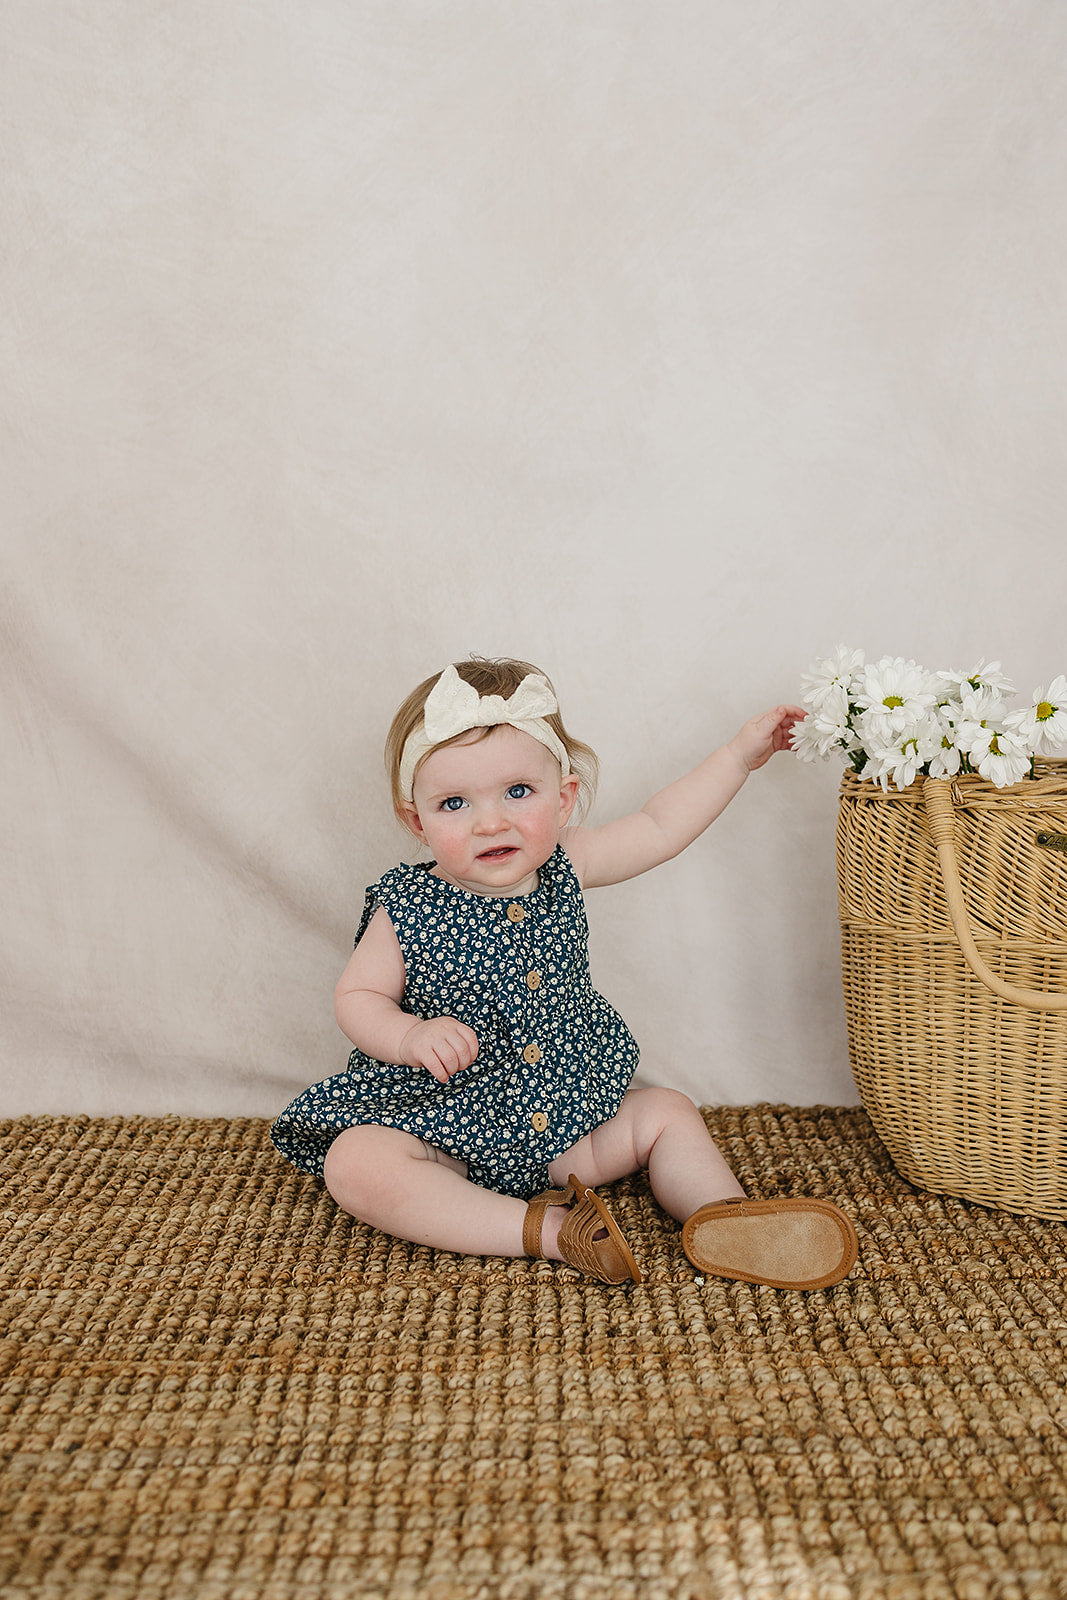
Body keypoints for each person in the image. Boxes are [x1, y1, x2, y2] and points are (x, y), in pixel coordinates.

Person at [271, 657, 858, 1289]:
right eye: (453, 803)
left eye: (517, 792)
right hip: (442, 1124)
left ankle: (723, 1216)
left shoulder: (566, 865)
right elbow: (358, 996)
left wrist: (737, 758)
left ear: (565, 798)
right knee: (356, 1163)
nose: (489, 821)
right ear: (417, 819)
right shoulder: (406, 905)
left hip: (563, 1120)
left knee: (667, 1111)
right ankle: (551, 1233)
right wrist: (409, 1037)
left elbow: (661, 826)